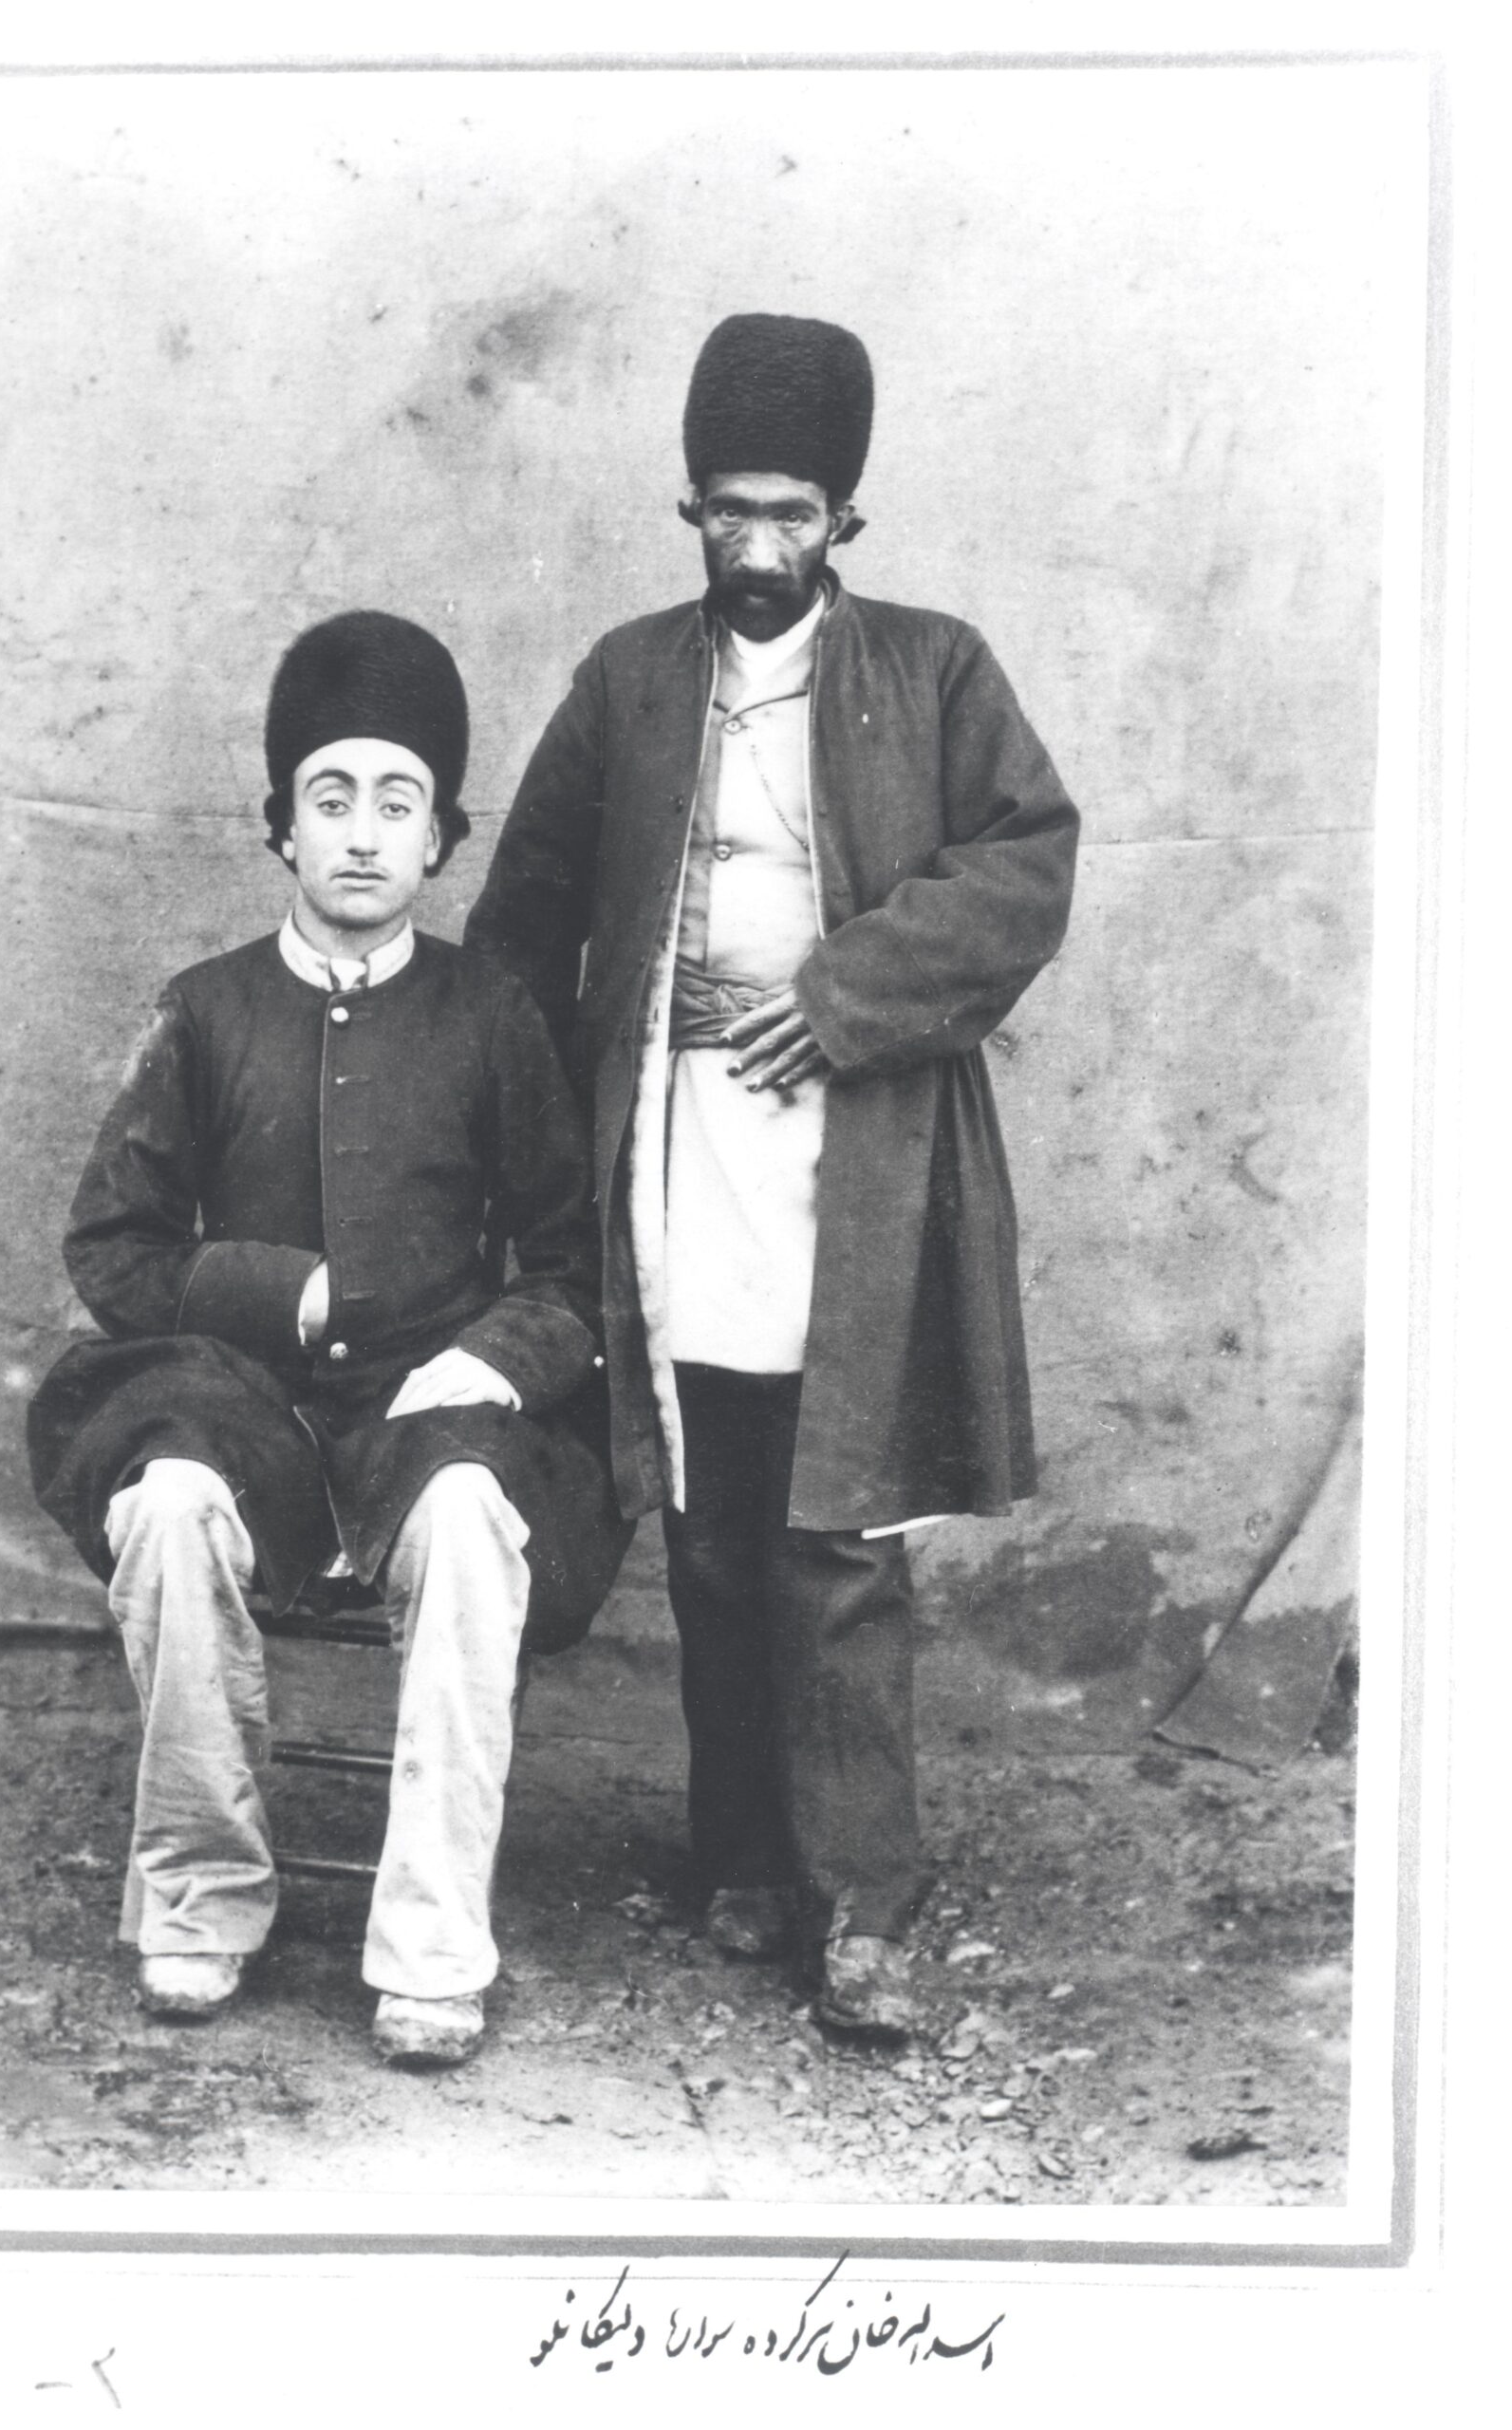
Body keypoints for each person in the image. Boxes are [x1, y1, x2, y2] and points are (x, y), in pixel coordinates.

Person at [465, 313, 1080, 2041]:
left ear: (844, 523)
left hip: (856, 1156)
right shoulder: (628, 679)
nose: (757, 546)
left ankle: (865, 1905)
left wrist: (839, 998)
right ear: (692, 510)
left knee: (840, 1535)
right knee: (716, 1524)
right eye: (729, 510)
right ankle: (743, 1852)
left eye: (791, 514)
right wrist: (553, 1102)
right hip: (677, 1150)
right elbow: (525, 916)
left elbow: (1026, 866)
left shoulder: (937, 670)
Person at [28, 610, 625, 2068]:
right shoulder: (206, 1010)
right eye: (332, 798)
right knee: (168, 1504)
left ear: (441, 840)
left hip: (431, 1415)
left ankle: (431, 1942)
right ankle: (201, 1894)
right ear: (282, 827)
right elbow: (113, 1248)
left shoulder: (490, 1013)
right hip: (236, 1406)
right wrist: (264, 1287)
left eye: (397, 803)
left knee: (476, 1517)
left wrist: (494, 1360)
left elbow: (570, 1265)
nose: (362, 834)